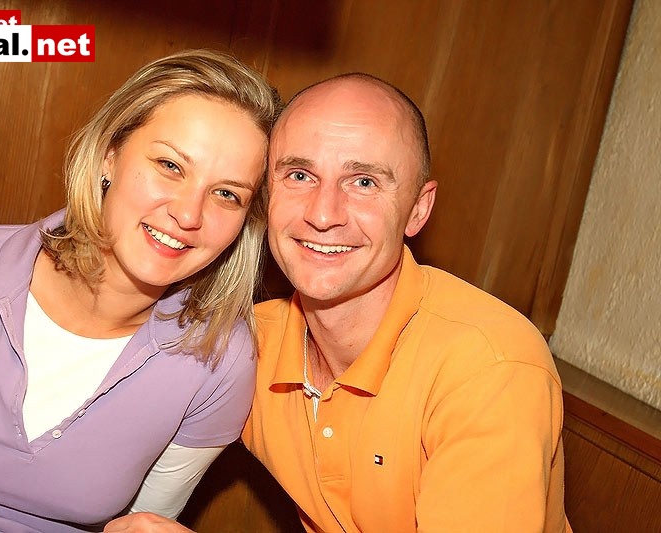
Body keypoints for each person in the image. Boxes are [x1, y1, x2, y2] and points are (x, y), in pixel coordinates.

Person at [106, 73, 571, 532]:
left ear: (417, 209)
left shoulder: (489, 366)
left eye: (363, 182)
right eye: (300, 175)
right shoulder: (246, 347)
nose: (323, 214)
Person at [0, 49, 280, 532]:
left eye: (227, 194)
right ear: (109, 155)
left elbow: (142, 526)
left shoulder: (220, 360)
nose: (189, 214)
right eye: (170, 165)